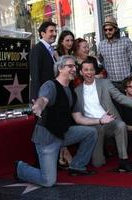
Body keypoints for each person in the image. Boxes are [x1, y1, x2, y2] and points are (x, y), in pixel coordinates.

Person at [15, 55, 115, 187]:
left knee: (91, 132)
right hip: (47, 139)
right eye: (70, 66)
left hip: (63, 134)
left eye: (75, 66)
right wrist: (38, 106)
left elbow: (78, 118)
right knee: (48, 181)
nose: (74, 69)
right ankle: (20, 168)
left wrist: (100, 120)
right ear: (60, 68)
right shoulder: (50, 85)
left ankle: (77, 166)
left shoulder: (71, 92)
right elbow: (43, 99)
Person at [73, 60, 132, 171]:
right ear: (81, 72)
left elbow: (118, 96)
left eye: (91, 69)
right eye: (86, 70)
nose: (89, 72)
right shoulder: (76, 91)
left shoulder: (105, 83)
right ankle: (101, 152)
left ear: (95, 71)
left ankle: (124, 160)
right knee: (98, 163)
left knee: (121, 125)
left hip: (109, 121)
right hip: (93, 126)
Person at [98, 16, 132, 91]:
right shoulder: (101, 45)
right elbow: (99, 63)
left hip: (126, 82)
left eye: (110, 29)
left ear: (116, 29)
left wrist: (131, 79)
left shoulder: (126, 42)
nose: (108, 32)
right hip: (111, 83)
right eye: (105, 30)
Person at [54, 30, 75, 170]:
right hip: (61, 89)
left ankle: (63, 154)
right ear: (61, 41)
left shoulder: (72, 56)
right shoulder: (57, 55)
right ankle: (65, 152)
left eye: (71, 40)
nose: (69, 43)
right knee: (62, 121)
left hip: (71, 88)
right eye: (67, 40)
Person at [29, 21, 57, 100]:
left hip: (51, 94)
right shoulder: (37, 50)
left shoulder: (51, 49)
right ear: (43, 34)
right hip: (43, 96)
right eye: (51, 31)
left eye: (55, 31)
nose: (54, 34)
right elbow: (35, 76)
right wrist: (38, 99)